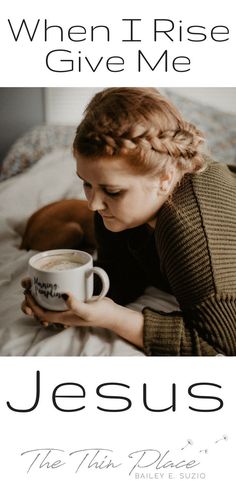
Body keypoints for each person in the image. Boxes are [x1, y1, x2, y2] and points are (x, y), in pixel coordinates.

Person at [22, 87, 236, 356]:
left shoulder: (189, 230)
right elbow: (122, 274)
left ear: (165, 179)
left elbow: (222, 343)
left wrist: (114, 318)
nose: (93, 203)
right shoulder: (117, 210)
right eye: (86, 184)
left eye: (112, 191)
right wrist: (64, 299)